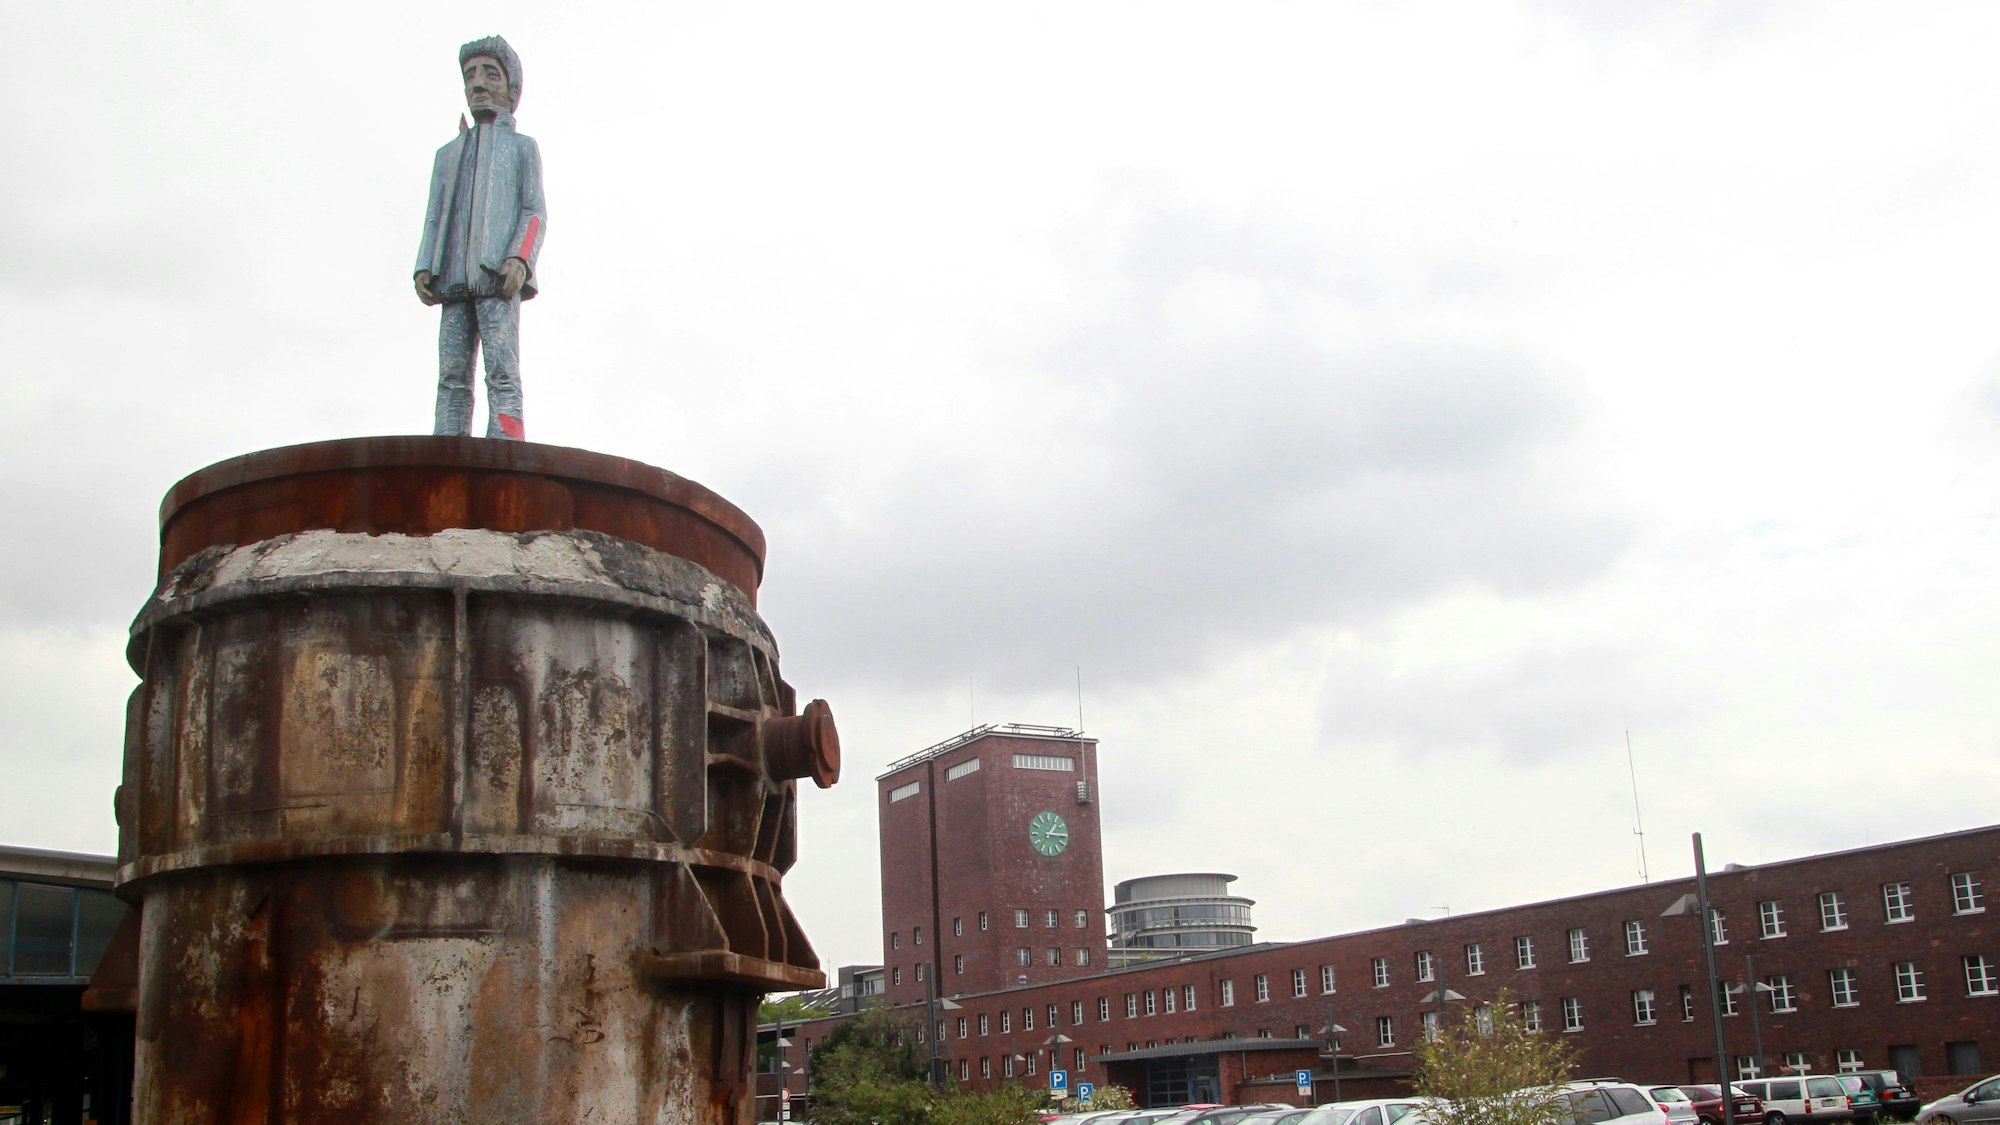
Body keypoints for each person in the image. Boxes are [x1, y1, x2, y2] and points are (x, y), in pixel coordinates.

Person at [414, 35, 546, 440]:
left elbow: (534, 211)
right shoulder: (447, 154)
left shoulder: (522, 148)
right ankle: (447, 447)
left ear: (512, 89)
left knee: (501, 367)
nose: (478, 83)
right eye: (470, 75)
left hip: (497, 275)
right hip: (452, 278)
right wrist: (424, 265)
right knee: (451, 373)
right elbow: (434, 216)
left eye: (491, 73)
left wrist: (519, 259)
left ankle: (506, 445)